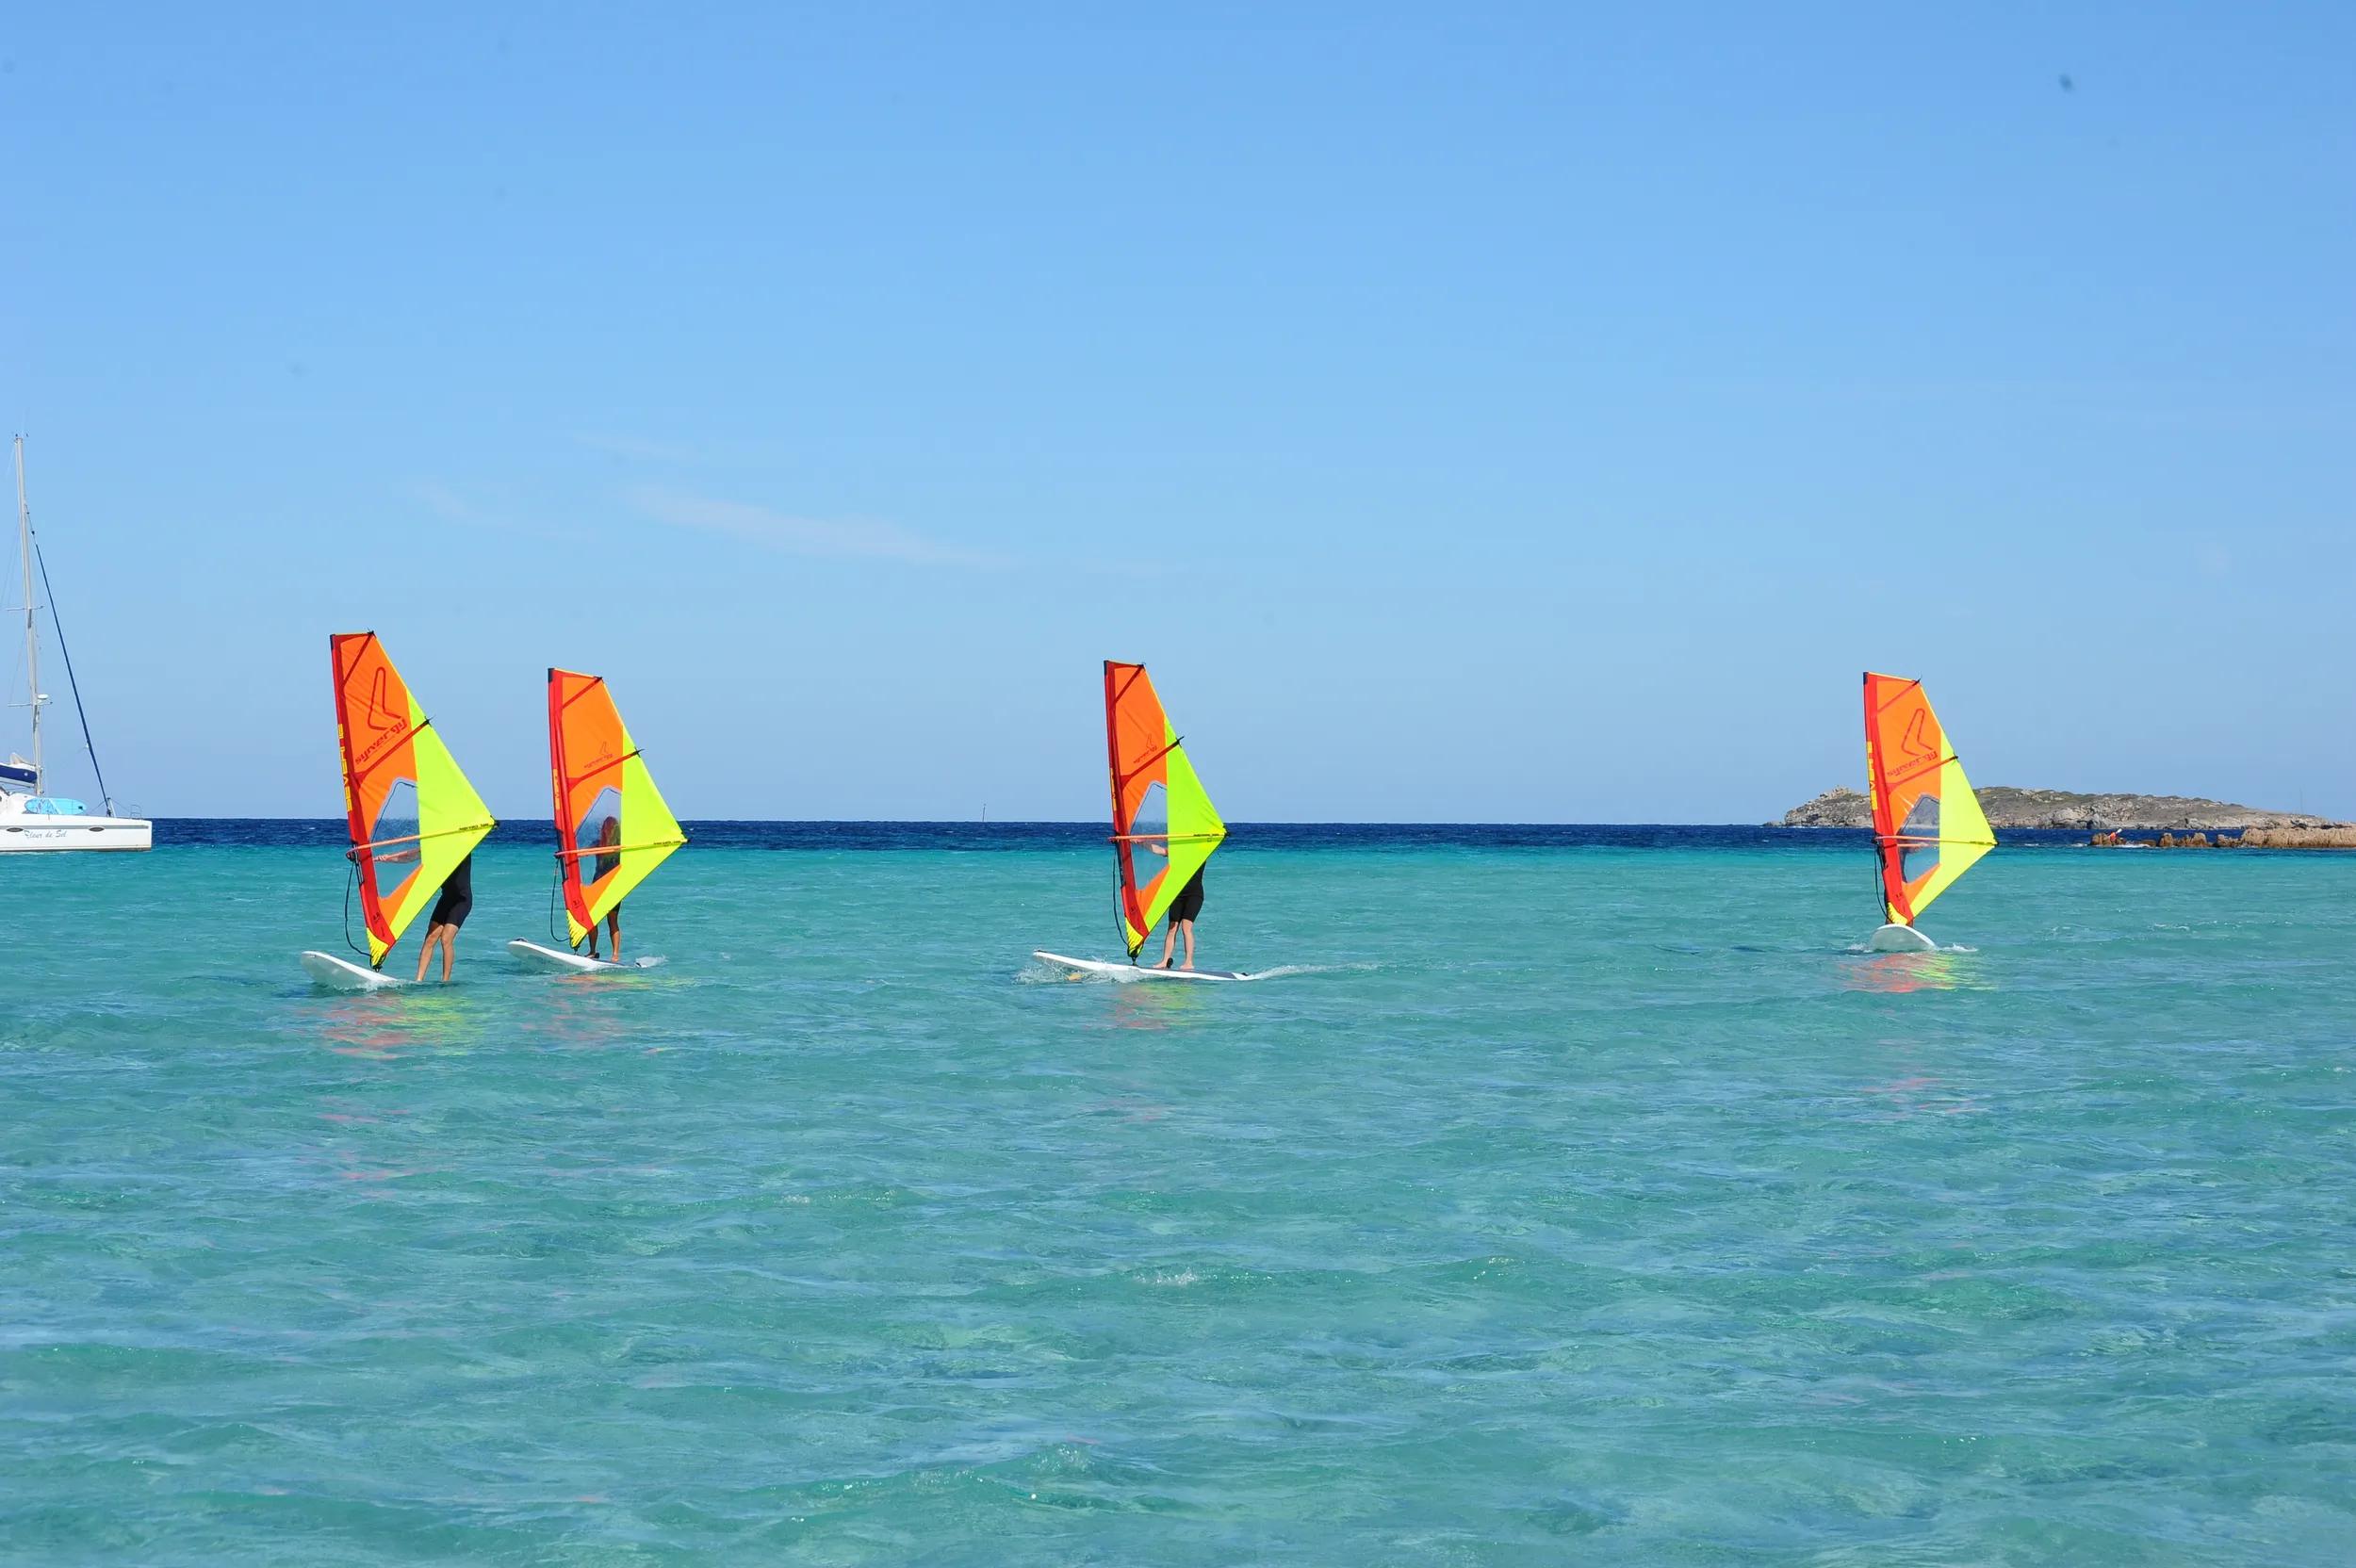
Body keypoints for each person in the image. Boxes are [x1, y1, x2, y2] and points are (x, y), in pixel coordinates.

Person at [414, 851, 473, 983]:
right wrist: (387, 858)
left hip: (461, 900)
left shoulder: (464, 847)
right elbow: (412, 855)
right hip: (446, 898)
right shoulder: (437, 848)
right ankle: (418, 980)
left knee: (446, 938)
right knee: (430, 938)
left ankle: (445, 982)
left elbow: (475, 836)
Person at [1147, 841, 1205, 971]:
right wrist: (1141, 843)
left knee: (1186, 927)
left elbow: (1211, 842)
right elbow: (1158, 850)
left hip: (1194, 895)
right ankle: (1164, 960)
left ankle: (1188, 962)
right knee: (1172, 928)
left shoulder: (1201, 853)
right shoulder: (1177, 853)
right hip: (1176, 894)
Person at [584, 816, 624, 960]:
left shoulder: (620, 845)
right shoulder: (597, 843)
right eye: (604, 826)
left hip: (613, 886)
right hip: (597, 885)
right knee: (591, 919)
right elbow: (583, 853)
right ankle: (592, 951)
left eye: (609, 826)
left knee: (612, 921)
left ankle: (615, 955)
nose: (605, 829)